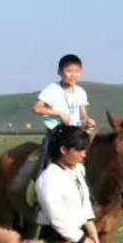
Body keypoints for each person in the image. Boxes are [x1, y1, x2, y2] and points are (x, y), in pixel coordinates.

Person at [34, 124, 97, 243]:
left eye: (84, 150)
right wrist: (82, 239)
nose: (84, 155)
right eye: (79, 150)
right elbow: (57, 219)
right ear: (64, 150)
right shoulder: (48, 179)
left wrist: (92, 233)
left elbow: (85, 204)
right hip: (55, 239)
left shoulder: (78, 171)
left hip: (77, 237)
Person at [24, 53, 97, 202]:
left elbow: (83, 114)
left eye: (77, 71)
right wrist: (59, 113)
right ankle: (39, 196)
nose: (73, 75)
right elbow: (37, 108)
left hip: (76, 136)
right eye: (69, 71)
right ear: (59, 72)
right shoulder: (52, 89)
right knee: (46, 162)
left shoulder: (80, 92)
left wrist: (88, 121)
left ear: (81, 73)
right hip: (57, 135)